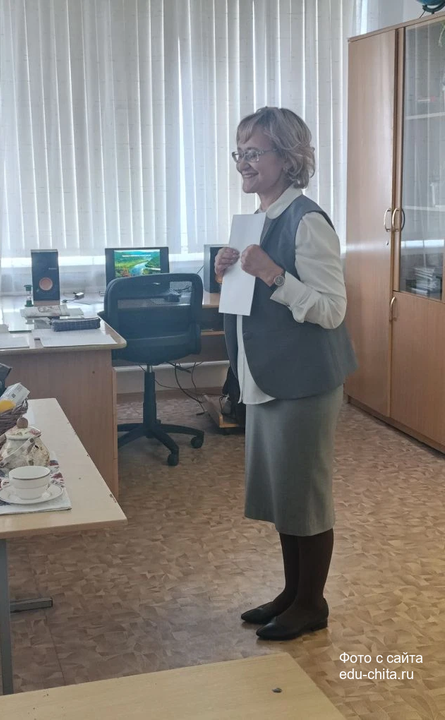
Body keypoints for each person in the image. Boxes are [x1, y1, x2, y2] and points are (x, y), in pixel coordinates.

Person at [215, 107, 357, 641]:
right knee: (284, 495)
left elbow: (331, 310)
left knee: (306, 495)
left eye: (254, 152)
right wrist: (225, 272)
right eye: (240, 152)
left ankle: (312, 603)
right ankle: (291, 592)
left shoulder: (307, 221)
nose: (243, 163)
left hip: (304, 381)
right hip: (266, 376)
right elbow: (249, 300)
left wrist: (273, 274)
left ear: (288, 156)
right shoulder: (257, 220)